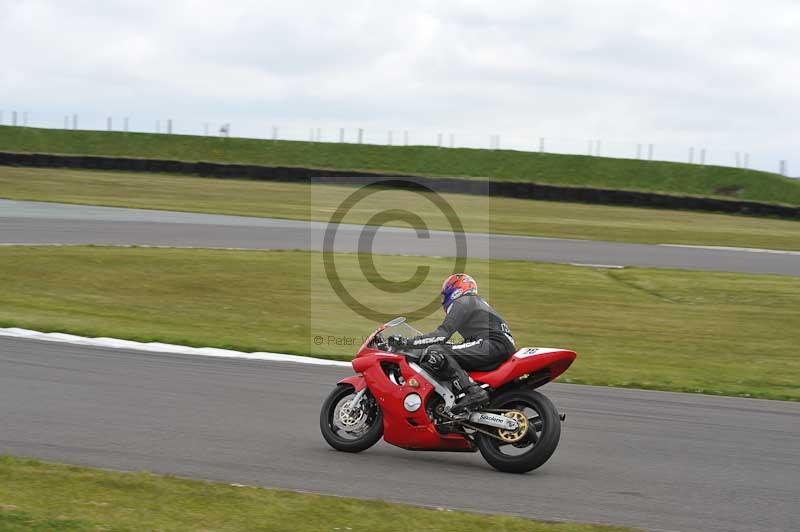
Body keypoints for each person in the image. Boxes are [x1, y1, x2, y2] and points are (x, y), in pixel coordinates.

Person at [388, 274, 516, 413]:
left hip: (491, 345)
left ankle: (472, 392)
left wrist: (407, 343)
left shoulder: (463, 302)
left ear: (455, 290)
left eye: (444, 295)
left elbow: (441, 335)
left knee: (436, 351)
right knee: (447, 351)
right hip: (496, 346)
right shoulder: (475, 302)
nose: (443, 301)